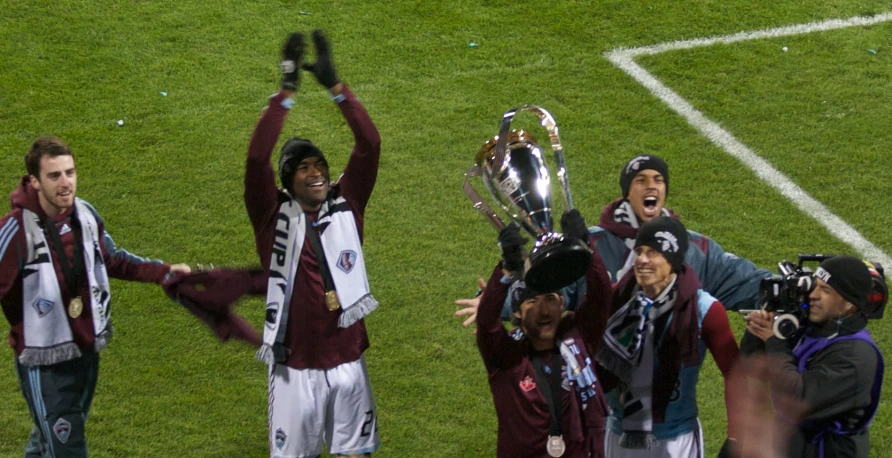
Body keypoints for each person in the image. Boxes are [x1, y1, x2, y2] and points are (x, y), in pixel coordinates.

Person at [0, 136, 188, 457]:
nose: (65, 183)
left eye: (70, 173)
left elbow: (113, 259)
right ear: (34, 181)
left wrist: (164, 272)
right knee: (67, 448)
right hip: (45, 361)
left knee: (49, 442)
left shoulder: (84, 214)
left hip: (87, 349)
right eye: (54, 176)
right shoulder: (16, 229)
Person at [245, 30, 381, 458]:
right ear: (288, 180)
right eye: (304, 168)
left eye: (320, 164)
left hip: (347, 361)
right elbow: (255, 159)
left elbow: (370, 144)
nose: (317, 173)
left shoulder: (348, 202)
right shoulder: (271, 215)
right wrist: (285, 92)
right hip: (294, 367)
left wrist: (336, 87)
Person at [455, 154, 772, 326]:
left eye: (658, 180)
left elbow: (747, 282)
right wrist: (501, 299)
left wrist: (794, 290)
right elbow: (547, 288)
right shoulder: (591, 244)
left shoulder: (696, 248)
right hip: (607, 399)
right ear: (627, 192)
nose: (651, 186)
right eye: (641, 181)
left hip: (672, 408)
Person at [596, 216, 739, 457]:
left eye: (653, 253)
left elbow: (736, 373)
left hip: (675, 440)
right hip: (619, 434)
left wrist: (736, 436)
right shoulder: (614, 300)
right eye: (639, 251)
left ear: (672, 259)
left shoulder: (704, 310)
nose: (641, 260)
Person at [474, 221, 612, 457]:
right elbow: (486, 322)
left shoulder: (578, 335)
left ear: (561, 303)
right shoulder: (505, 356)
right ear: (517, 312)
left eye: (550, 298)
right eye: (532, 301)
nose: (543, 310)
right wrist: (506, 269)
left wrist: (586, 247)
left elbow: (601, 294)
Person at [745, 256, 884, 458]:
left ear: (848, 305)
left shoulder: (856, 356)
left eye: (825, 290)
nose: (813, 295)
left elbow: (795, 401)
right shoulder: (814, 327)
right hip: (793, 444)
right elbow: (753, 366)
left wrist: (775, 341)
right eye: (816, 286)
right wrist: (761, 327)